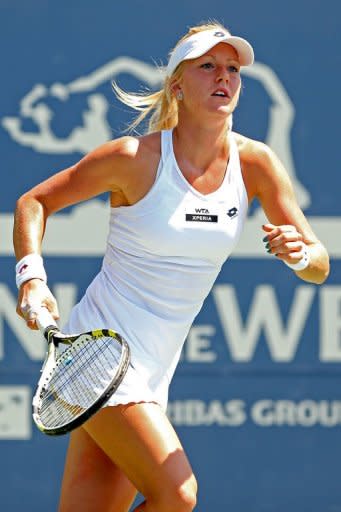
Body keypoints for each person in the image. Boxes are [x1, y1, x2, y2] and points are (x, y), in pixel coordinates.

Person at [14, 21, 329, 512]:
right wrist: (31, 279)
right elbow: (34, 202)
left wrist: (301, 253)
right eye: (208, 66)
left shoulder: (257, 164)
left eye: (231, 69)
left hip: (154, 371)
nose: (223, 77)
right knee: (178, 495)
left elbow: (320, 266)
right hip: (99, 355)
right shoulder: (132, 158)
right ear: (177, 85)